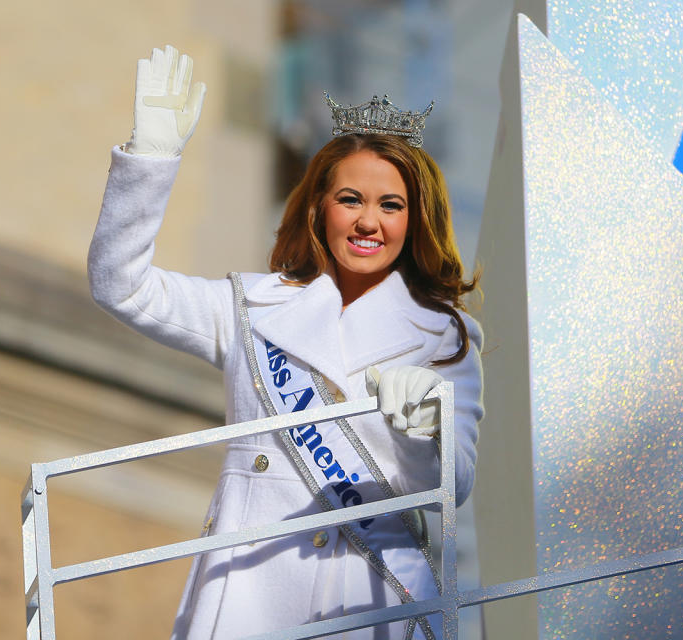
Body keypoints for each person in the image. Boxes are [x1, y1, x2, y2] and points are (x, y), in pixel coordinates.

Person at [88, 45, 484, 640]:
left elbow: (452, 485)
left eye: (391, 205)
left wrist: (427, 426)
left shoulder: (445, 336)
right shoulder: (250, 306)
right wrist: (151, 159)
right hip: (249, 590)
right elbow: (121, 285)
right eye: (350, 199)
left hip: (369, 599)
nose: (368, 221)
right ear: (319, 206)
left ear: (416, 218)